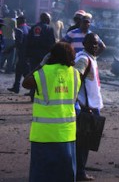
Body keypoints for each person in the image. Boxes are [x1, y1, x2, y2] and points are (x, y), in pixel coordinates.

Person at [22, 42, 81, 182]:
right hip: (67, 134)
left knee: (42, 175)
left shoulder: (43, 72)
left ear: (51, 56)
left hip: (43, 135)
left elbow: (25, 83)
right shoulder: (75, 74)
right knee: (65, 175)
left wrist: (41, 64)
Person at [75, 33, 103, 181]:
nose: (95, 46)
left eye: (96, 43)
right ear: (84, 43)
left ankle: (79, 170)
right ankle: (79, 173)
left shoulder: (91, 57)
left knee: (86, 142)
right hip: (87, 107)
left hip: (91, 105)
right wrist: (80, 104)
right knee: (83, 143)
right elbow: (75, 78)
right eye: (92, 43)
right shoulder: (84, 59)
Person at [26, 13, 56, 100]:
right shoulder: (49, 28)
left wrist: (27, 55)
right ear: (47, 19)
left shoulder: (33, 27)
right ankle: (41, 94)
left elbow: (28, 41)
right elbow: (52, 43)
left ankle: (32, 93)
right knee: (43, 75)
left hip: (33, 55)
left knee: (33, 73)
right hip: (44, 56)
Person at [7, 15, 31, 93]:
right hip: (28, 53)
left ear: (20, 21)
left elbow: (18, 43)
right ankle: (16, 87)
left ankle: (33, 88)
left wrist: (9, 48)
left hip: (22, 54)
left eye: (17, 21)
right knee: (19, 70)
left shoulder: (19, 30)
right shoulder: (29, 28)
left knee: (25, 72)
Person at [0, 9, 17, 73]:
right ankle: (8, 70)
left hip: (4, 39)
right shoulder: (13, 21)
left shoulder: (3, 20)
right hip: (11, 39)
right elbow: (16, 30)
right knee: (11, 56)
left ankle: (0, 66)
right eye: (15, 14)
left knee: (3, 54)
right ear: (12, 14)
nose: (15, 15)